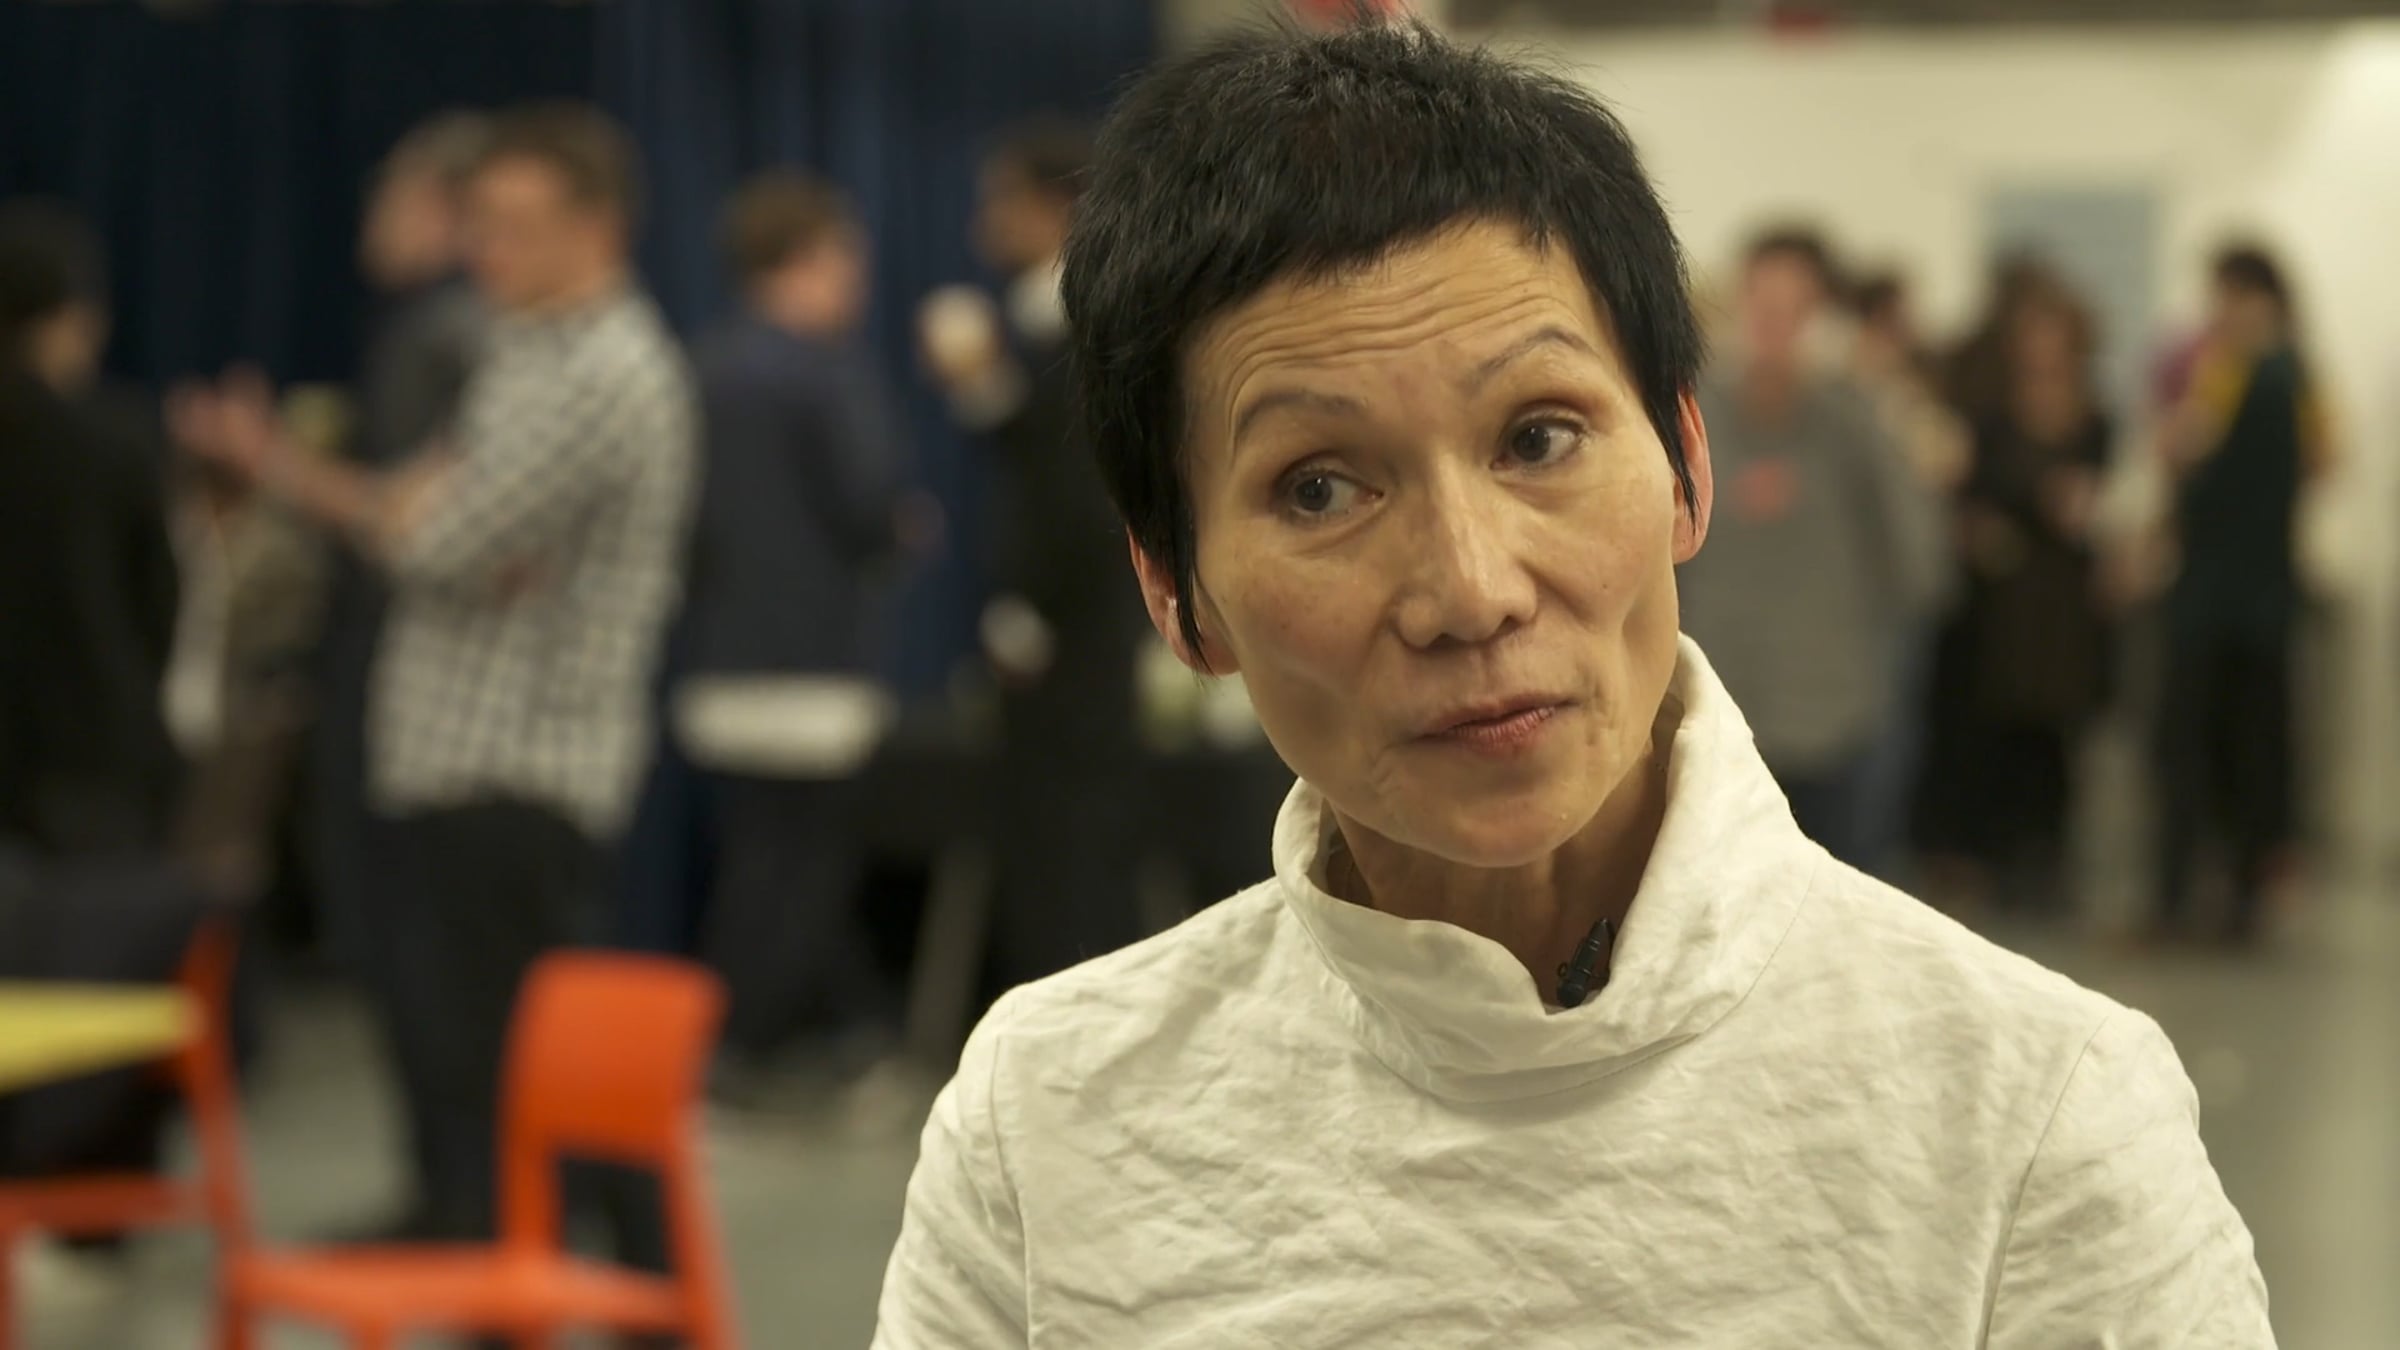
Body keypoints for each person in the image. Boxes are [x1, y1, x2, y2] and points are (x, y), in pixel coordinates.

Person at [874, 23, 2270, 1347]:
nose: (1471, 589)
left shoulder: (2034, 1122)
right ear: (1177, 592)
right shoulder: (1048, 1123)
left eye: (1539, 437)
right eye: (1319, 487)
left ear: (1685, 468)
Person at [175, 102, 697, 1259]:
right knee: (462, 1058)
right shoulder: (524, 349)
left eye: (515, 224)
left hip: (519, 769)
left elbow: (437, 538)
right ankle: (495, 1255)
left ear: (598, 226)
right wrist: (410, 511)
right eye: (480, 222)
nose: (486, 249)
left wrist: (340, 488)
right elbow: (423, 511)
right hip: (453, 757)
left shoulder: (604, 369)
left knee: (523, 1067)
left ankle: (592, 1285)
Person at [680, 172, 927, 1081]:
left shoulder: (702, 369)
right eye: (845, 260)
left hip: (721, 659)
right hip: (816, 666)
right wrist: (904, 527)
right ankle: (740, 1050)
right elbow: (870, 507)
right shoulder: (828, 375)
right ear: (805, 260)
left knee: (758, 865)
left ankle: (798, 1040)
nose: (857, 281)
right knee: (803, 874)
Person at [918, 119, 1151, 996]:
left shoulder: (1081, 322)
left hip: (1074, 627)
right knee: (1052, 833)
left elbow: (1079, 492)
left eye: (1001, 201)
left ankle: (1085, 1013)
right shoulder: (1041, 322)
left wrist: (1031, 608)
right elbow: (1034, 454)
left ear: (1054, 208)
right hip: (1068, 625)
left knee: (1074, 835)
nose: (986, 221)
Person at [1674, 228, 1948, 868]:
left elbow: (1920, 567)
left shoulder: (1860, 423)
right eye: (1762, 307)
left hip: (1840, 719)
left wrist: (1877, 411)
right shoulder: (1691, 419)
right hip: (1720, 718)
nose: (1774, 332)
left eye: (1794, 313)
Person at [1916, 275, 2115, 914]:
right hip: (2001, 601)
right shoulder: (1992, 418)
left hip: (2063, 603)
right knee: (1993, 730)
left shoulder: (2095, 420)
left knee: (2056, 738)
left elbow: (2111, 502)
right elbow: (1965, 498)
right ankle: (1992, 855)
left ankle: (2048, 857)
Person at [2151, 244, 2329, 946]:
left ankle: (2218, 897)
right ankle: (2223, 897)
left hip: (2235, 596)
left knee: (2227, 751)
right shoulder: (2258, 370)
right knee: (2230, 750)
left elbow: (2185, 447)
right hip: (2241, 593)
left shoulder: (2254, 371)